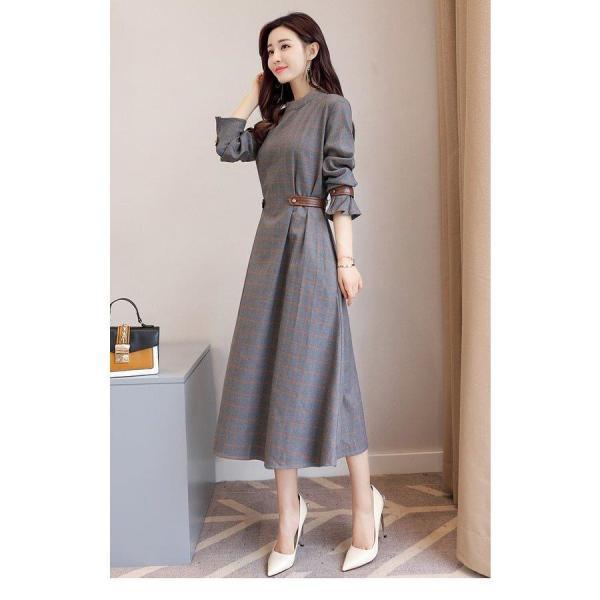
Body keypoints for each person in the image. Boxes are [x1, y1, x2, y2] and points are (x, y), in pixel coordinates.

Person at [212, 12, 385, 576]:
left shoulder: (333, 108)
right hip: (268, 252)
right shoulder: (275, 119)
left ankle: (365, 507)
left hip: (312, 246)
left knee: (332, 374)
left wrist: (346, 261)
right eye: (268, 51)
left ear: (312, 50)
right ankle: (289, 512)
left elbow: (341, 185)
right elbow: (228, 146)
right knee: (273, 374)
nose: (276, 57)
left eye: (285, 46)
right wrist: (254, 91)